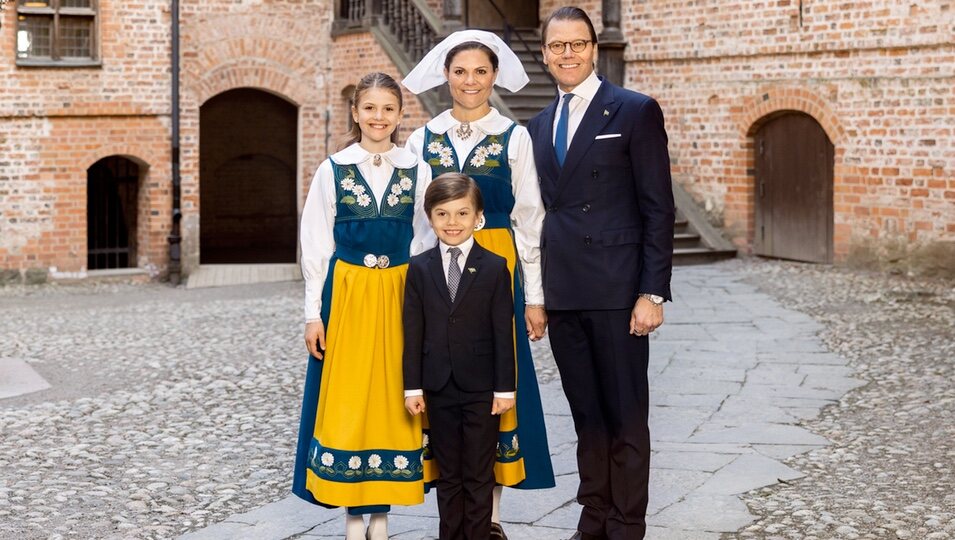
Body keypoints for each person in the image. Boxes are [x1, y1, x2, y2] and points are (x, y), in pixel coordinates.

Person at [526, 7, 675, 540]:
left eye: (578, 44)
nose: (567, 54)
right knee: (586, 414)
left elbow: (658, 208)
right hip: (565, 290)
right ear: (544, 53)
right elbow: (536, 216)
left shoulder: (633, 111)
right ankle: (595, 518)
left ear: (594, 48)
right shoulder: (537, 127)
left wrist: (652, 291)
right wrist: (536, 294)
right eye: (557, 45)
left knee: (625, 415)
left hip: (617, 289)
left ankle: (627, 525)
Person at [402, 30, 556, 539]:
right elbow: (420, 226)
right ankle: (453, 511)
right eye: (461, 71)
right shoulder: (424, 138)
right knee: (445, 378)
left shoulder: (514, 137)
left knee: (497, 385)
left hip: (499, 268)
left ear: (494, 77)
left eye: (481, 71)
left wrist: (533, 296)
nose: (471, 81)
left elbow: (530, 221)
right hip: (438, 274)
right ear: (447, 76)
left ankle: (489, 517)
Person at [291, 72, 435, 540]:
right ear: (355, 113)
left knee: (396, 395)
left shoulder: (417, 168)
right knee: (349, 398)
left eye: (388, 109)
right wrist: (314, 313)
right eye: (369, 108)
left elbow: (427, 236)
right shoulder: (333, 169)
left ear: (399, 115)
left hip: (399, 291)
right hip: (347, 294)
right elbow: (315, 245)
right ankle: (354, 516)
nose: (379, 117)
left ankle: (382, 516)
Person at [403, 172, 517, 540]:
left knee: (479, 472)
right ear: (430, 217)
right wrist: (412, 388)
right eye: (443, 214)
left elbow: (503, 332)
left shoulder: (495, 266)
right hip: (438, 385)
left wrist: (505, 389)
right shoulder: (418, 268)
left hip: (482, 388)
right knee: (448, 473)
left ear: (477, 216)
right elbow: (412, 332)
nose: (452, 223)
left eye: (462, 214)